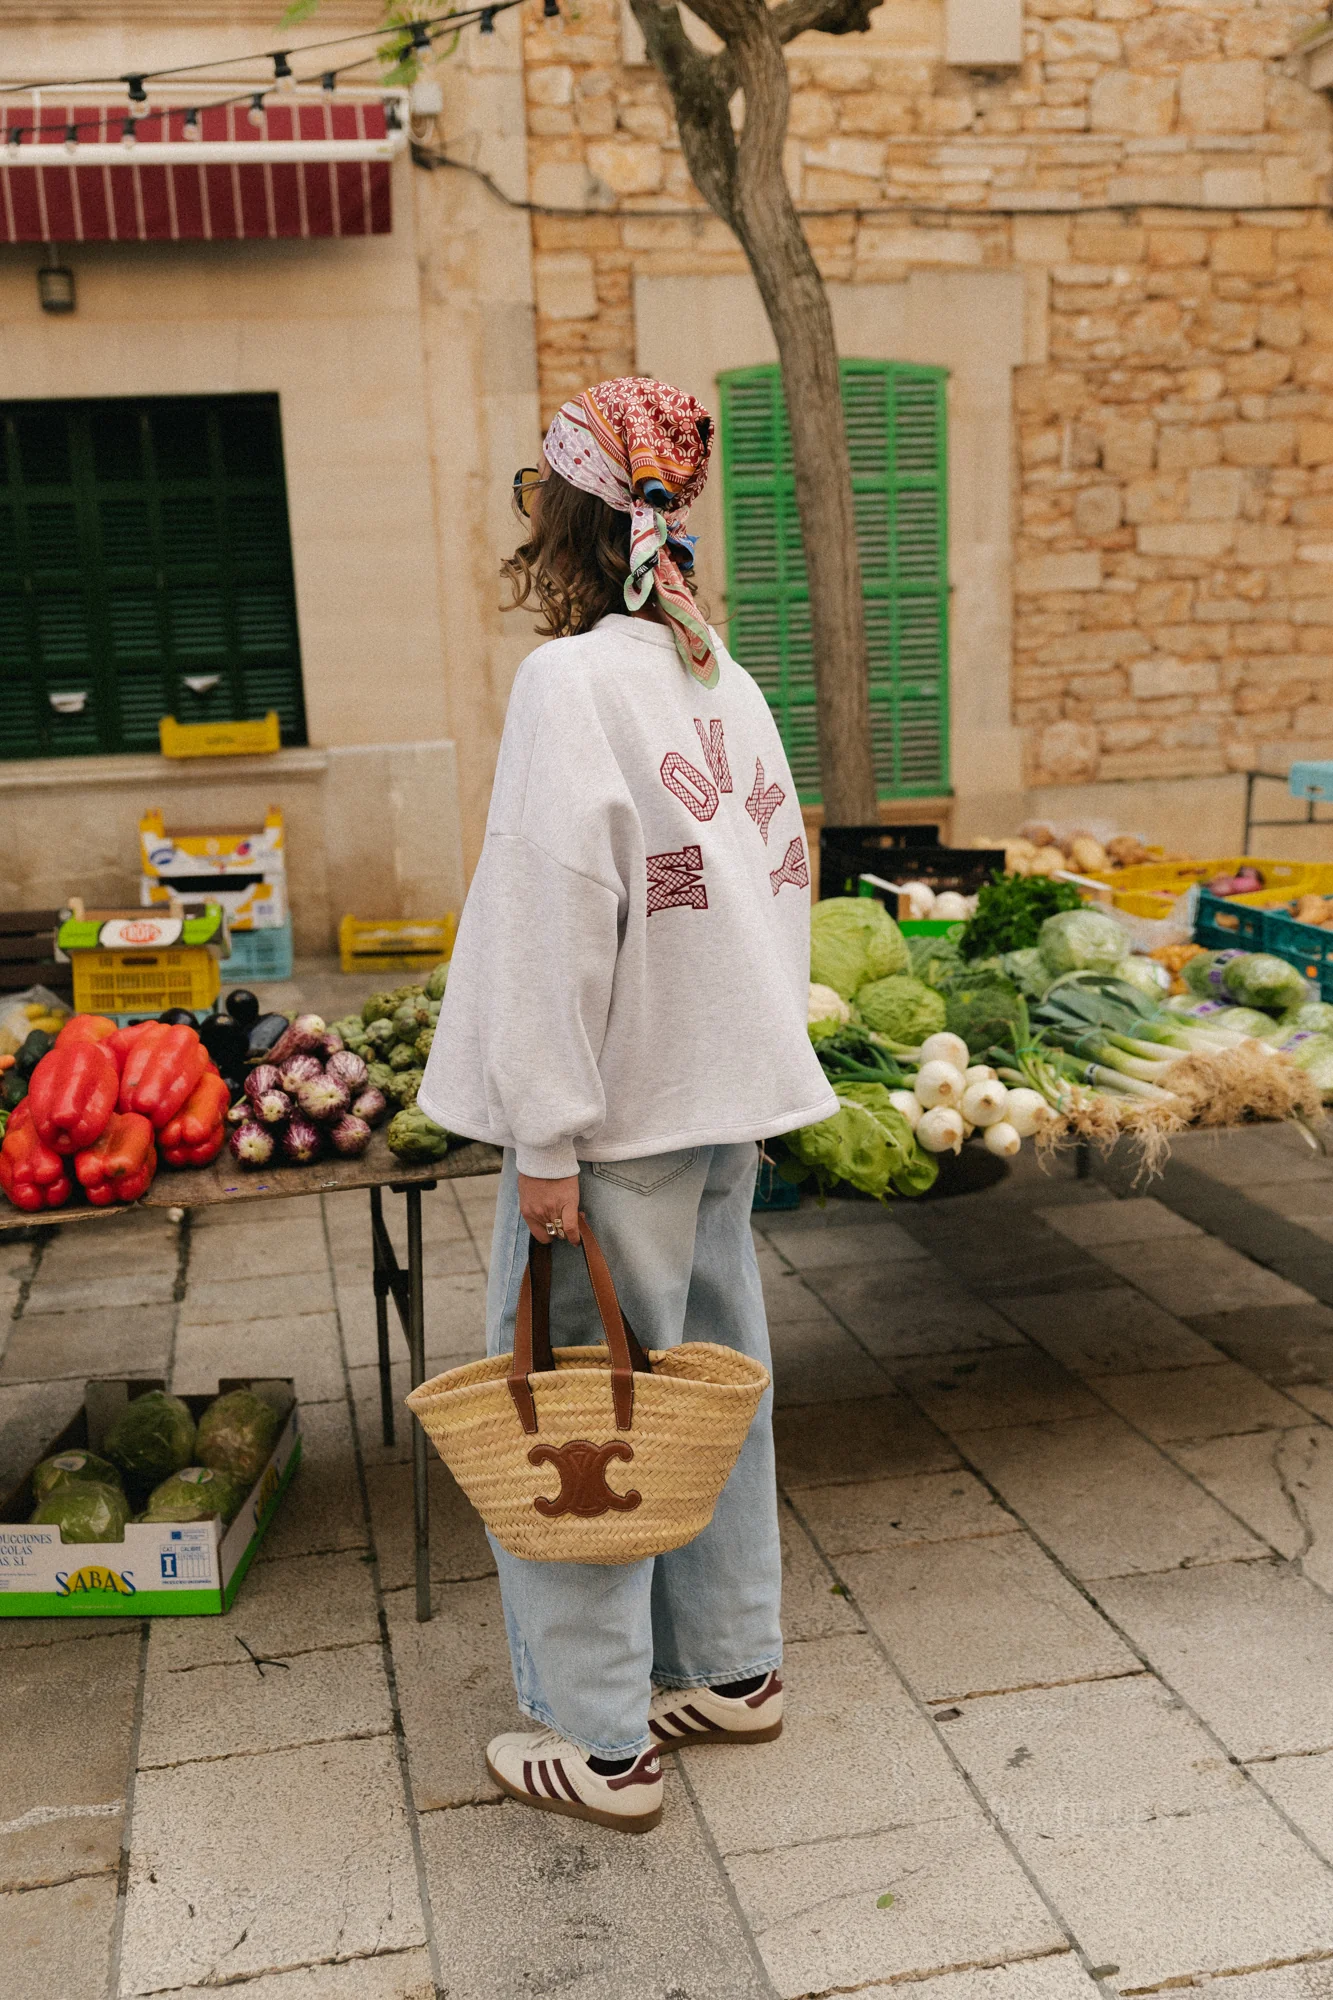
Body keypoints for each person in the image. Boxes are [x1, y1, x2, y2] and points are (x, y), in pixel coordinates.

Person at [418, 376, 836, 1835]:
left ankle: (599, 1741)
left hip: (610, 1124)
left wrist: (542, 1133)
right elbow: (785, 878)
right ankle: (733, 1669)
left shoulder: (572, 685)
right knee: (710, 1397)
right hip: (719, 1107)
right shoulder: (717, 670)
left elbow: (551, 912)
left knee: (577, 1419)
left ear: (564, 514)